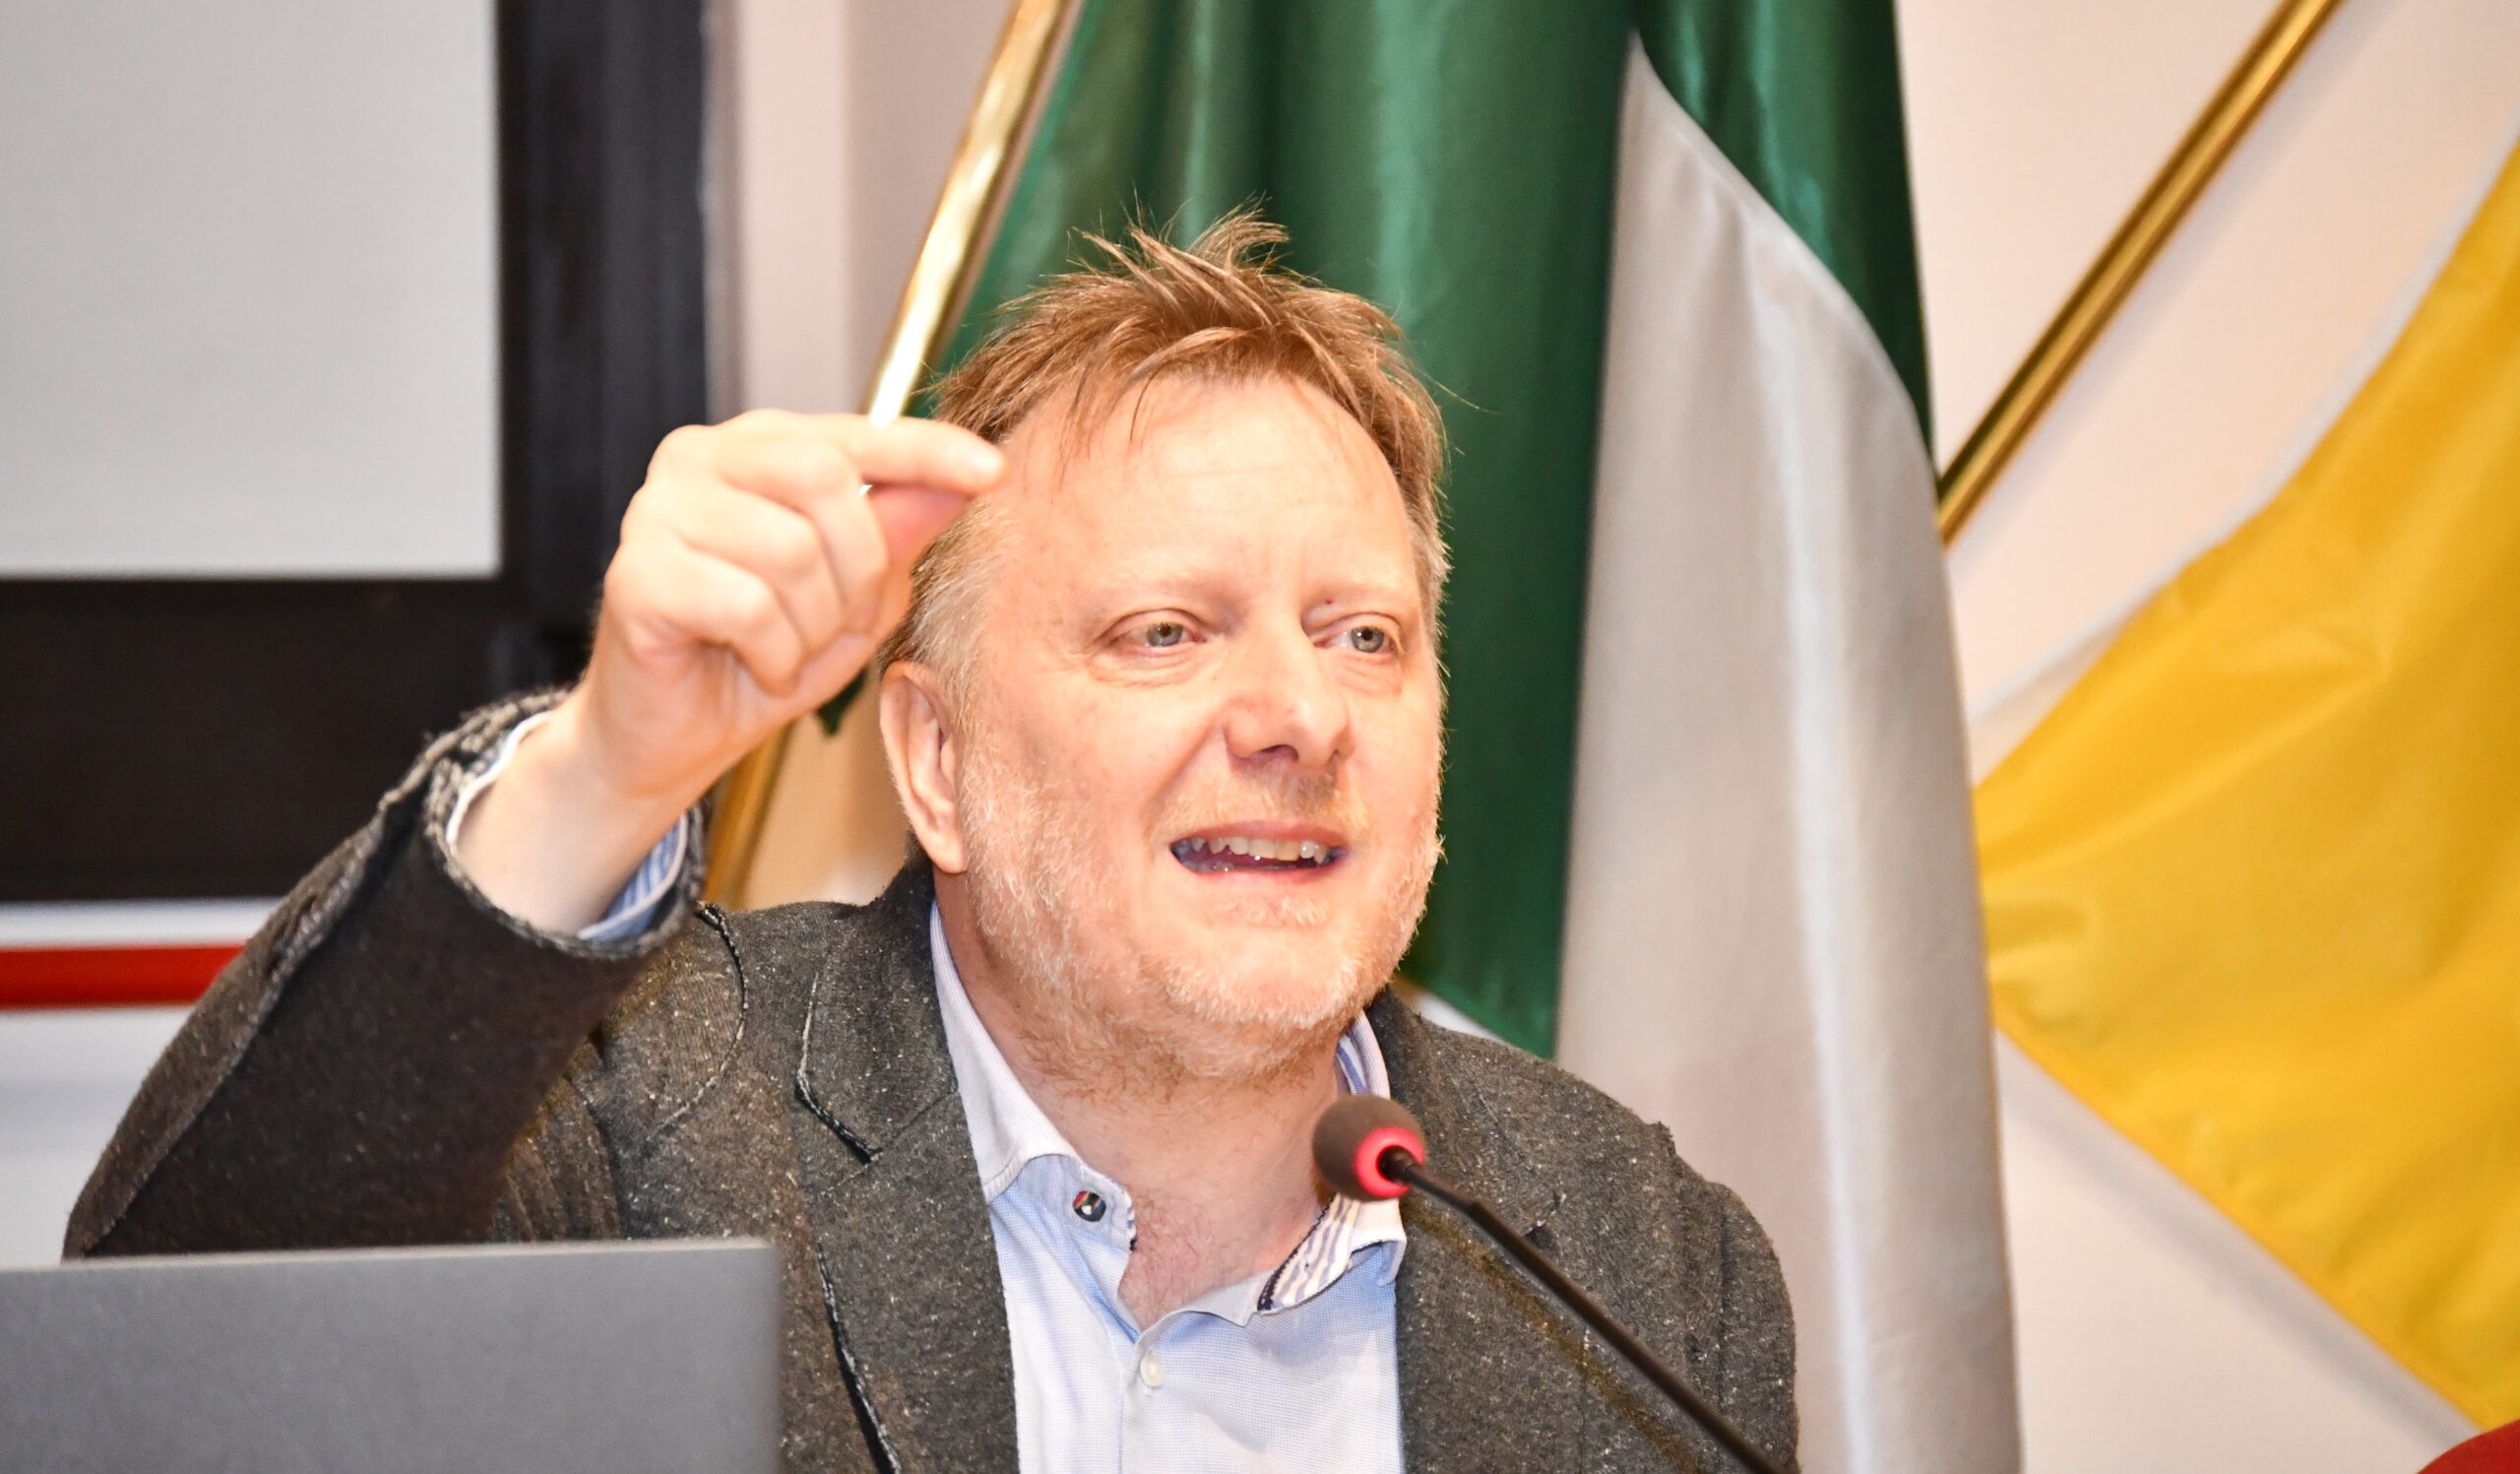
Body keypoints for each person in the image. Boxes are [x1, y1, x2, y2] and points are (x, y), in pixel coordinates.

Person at [69, 216, 1795, 1473]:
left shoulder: (1644, 1269)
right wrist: (599, 776)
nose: (1299, 718)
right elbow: (168, 1373)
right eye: (1165, 633)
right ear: (938, 761)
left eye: (1363, 637)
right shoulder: (648, 1125)